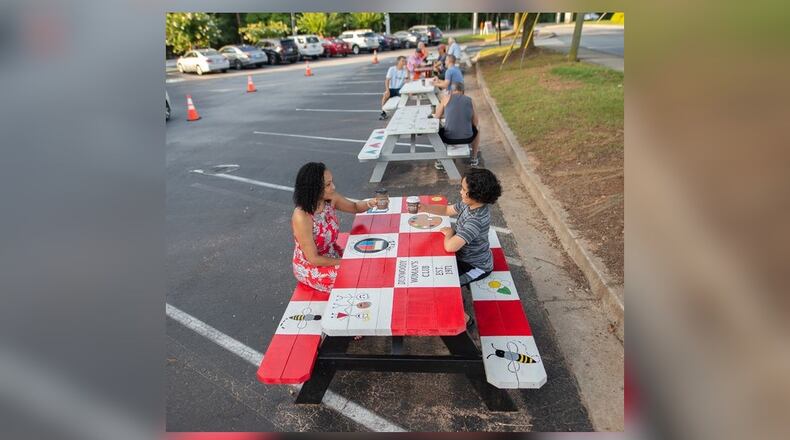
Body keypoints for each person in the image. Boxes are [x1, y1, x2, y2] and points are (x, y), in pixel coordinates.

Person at [419, 168, 502, 324]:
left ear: (476, 195)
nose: (460, 192)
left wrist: (450, 233)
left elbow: (450, 247)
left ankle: (464, 318)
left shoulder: (475, 220)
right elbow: (446, 209)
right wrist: (425, 208)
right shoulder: (469, 204)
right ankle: (454, 303)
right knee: (434, 270)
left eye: (464, 190)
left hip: (476, 266)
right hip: (464, 256)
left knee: (444, 286)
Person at [292, 162, 377, 293]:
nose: (333, 187)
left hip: (331, 254)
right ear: (313, 188)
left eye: (331, 182)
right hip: (312, 266)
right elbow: (313, 259)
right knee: (354, 279)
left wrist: (370, 203)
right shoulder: (302, 216)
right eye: (327, 184)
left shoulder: (331, 198)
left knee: (368, 264)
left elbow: (354, 207)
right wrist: (344, 262)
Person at [433, 82, 481, 168]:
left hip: (449, 139)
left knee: (438, 129)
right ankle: (474, 158)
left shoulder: (445, 98)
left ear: (451, 91)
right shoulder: (470, 100)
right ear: (463, 91)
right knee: (478, 129)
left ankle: (440, 160)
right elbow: (475, 122)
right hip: (468, 138)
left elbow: (437, 116)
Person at [379, 56, 409, 120]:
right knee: (385, 95)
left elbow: (407, 80)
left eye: (405, 61)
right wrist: (387, 90)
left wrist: (407, 69)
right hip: (392, 89)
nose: (404, 62)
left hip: (400, 89)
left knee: (405, 97)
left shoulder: (405, 70)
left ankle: (401, 113)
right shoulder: (392, 69)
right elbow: (387, 80)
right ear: (398, 61)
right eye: (402, 61)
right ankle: (383, 112)